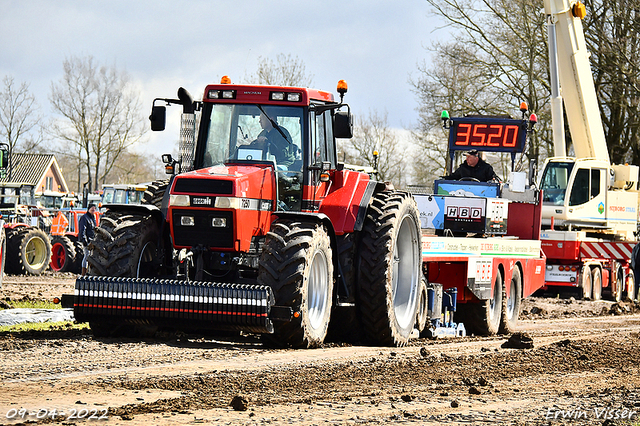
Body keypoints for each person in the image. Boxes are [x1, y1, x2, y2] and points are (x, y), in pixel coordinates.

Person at [78, 203, 97, 275]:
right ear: (88, 209)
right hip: (87, 241)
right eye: (92, 208)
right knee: (87, 256)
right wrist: (84, 240)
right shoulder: (84, 218)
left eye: (94, 209)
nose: (93, 210)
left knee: (90, 256)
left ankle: (89, 272)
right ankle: (84, 273)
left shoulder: (93, 218)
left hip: (92, 241)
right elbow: (82, 229)